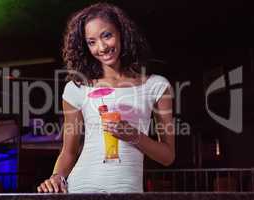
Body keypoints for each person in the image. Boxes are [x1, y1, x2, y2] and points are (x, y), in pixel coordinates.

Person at [37, 2, 175, 193]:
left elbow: (167, 156)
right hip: (81, 188)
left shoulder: (157, 86)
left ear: (121, 33)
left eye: (107, 35)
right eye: (91, 42)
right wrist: (55, 178)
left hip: (127, 190)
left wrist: (134, 136)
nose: (101, 47)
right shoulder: (77, 88)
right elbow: (68, 152)